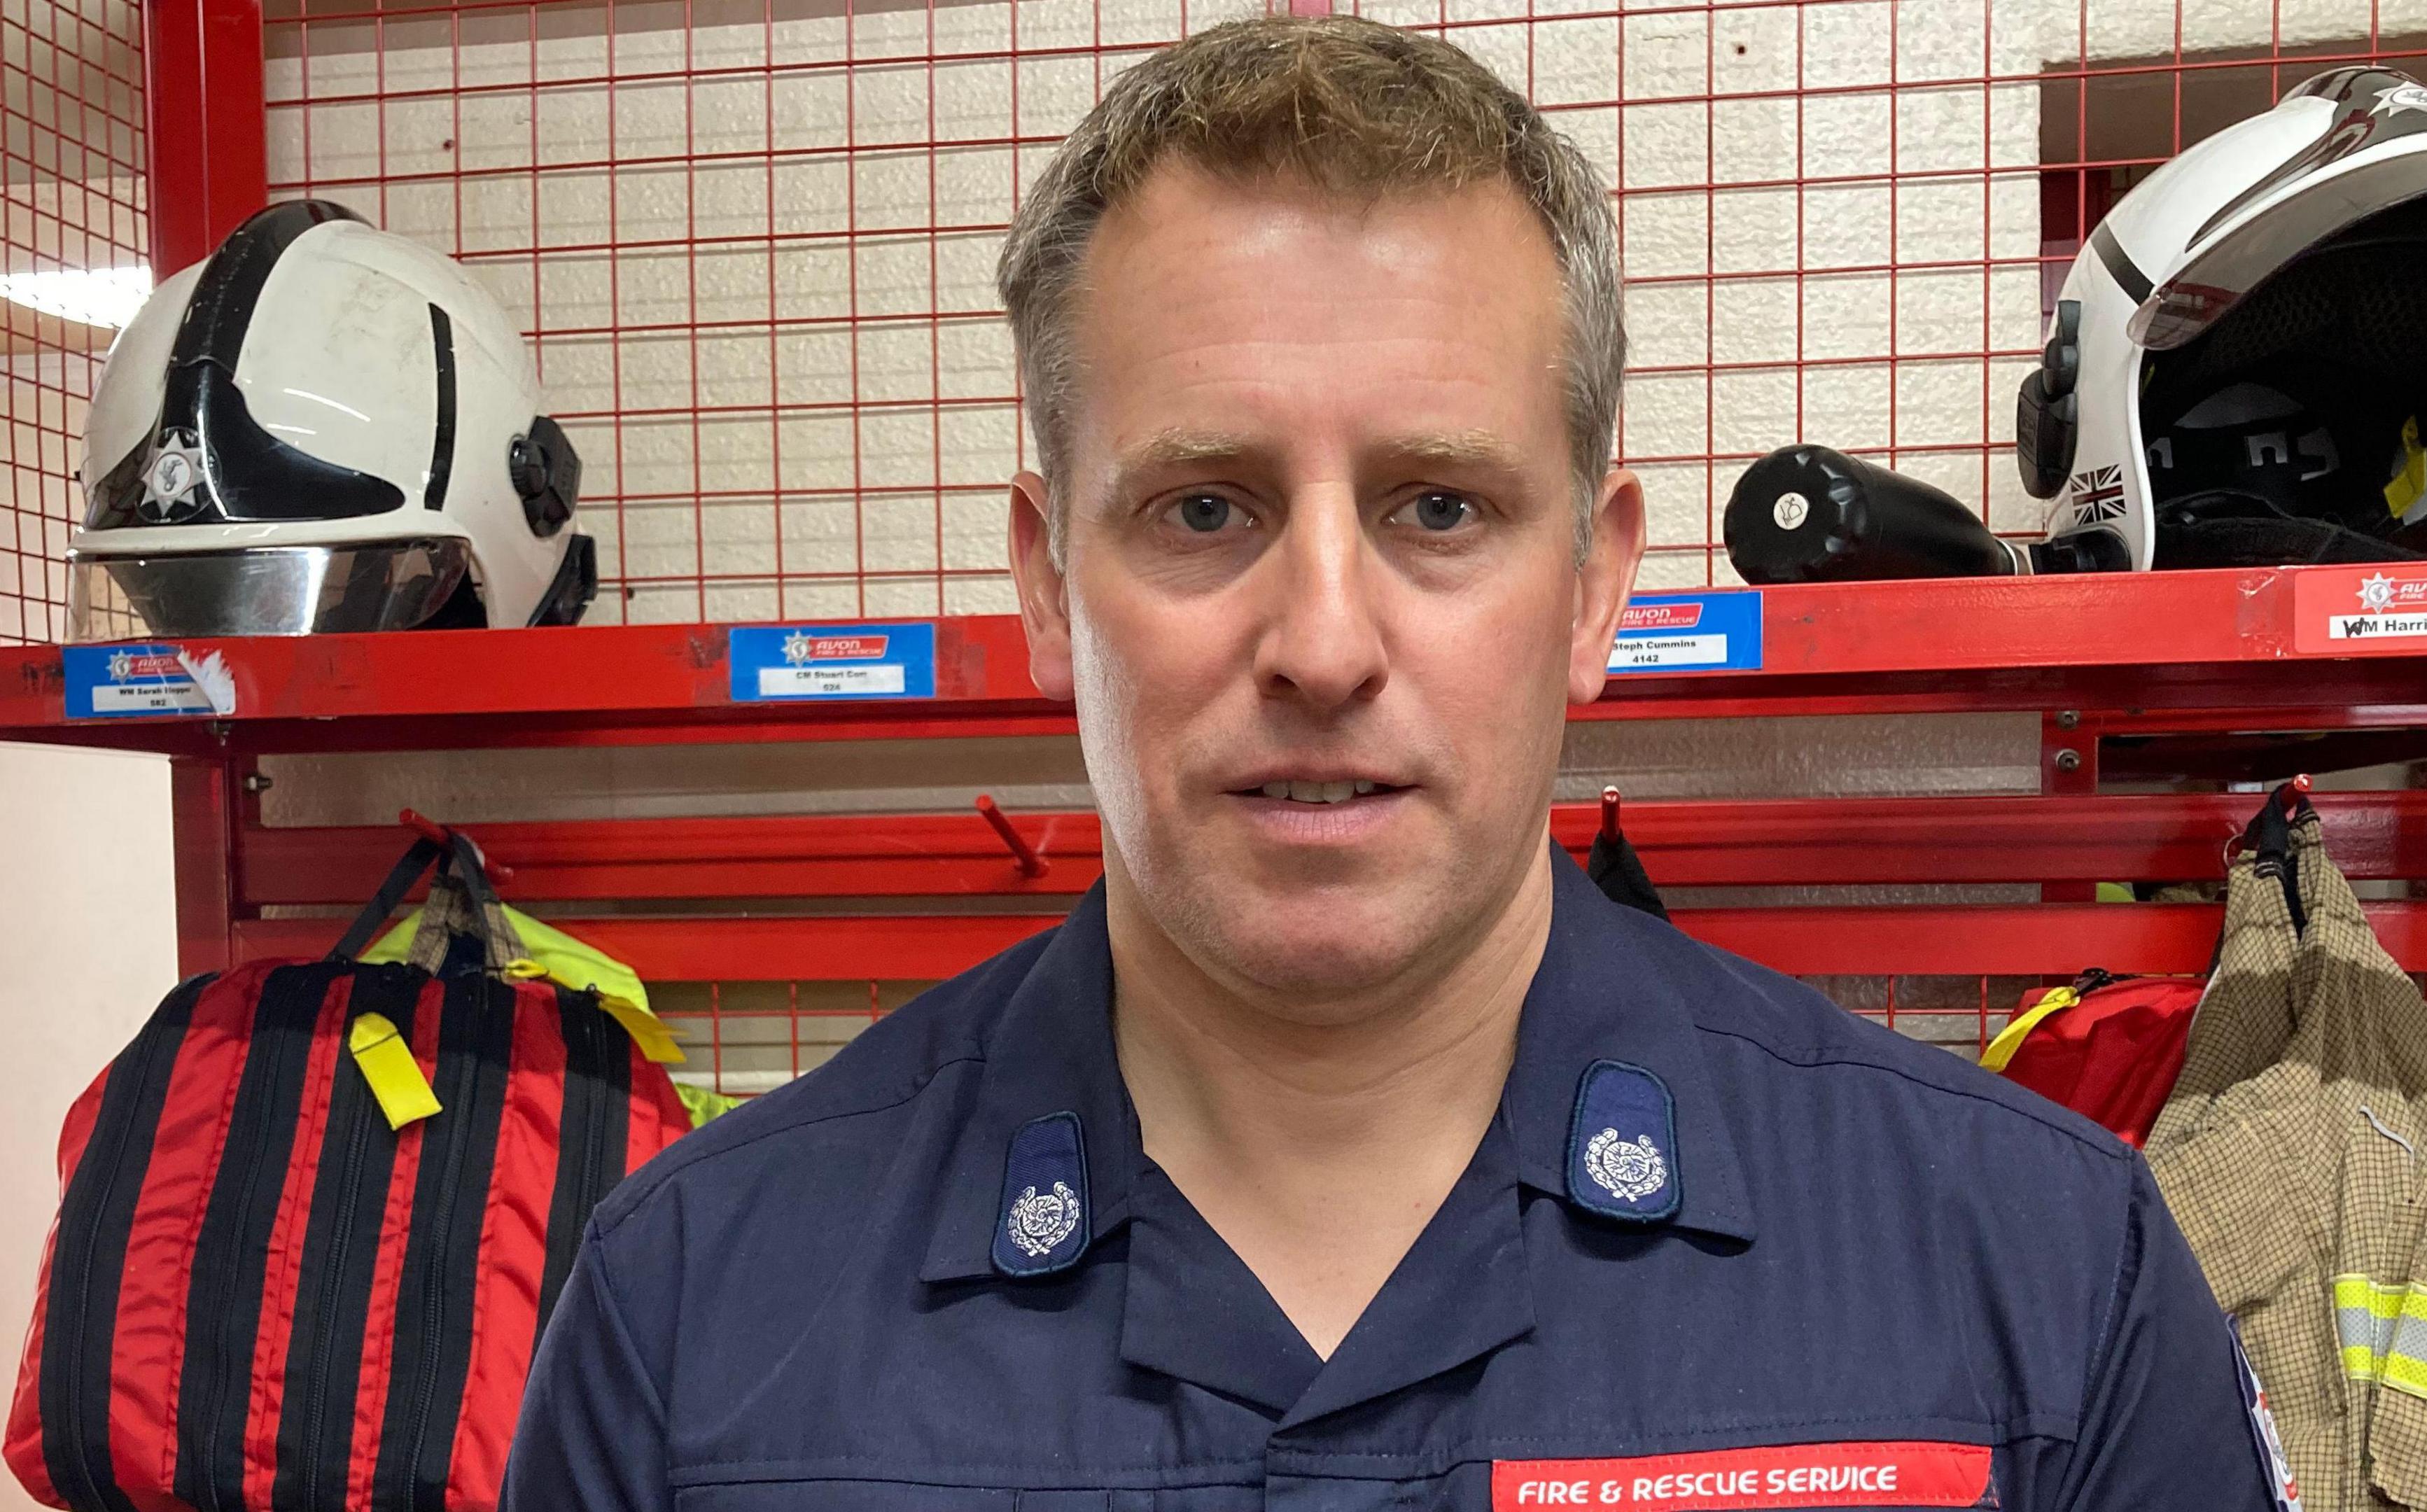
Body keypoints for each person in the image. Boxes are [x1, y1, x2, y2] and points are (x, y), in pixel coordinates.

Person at [503, 18, 2286, 1511]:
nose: (1326, 644)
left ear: (1595, 585)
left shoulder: (2040, 1293)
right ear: (1048, 586)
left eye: (1441, 508)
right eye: (1207, 509)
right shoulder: (691, 1319)